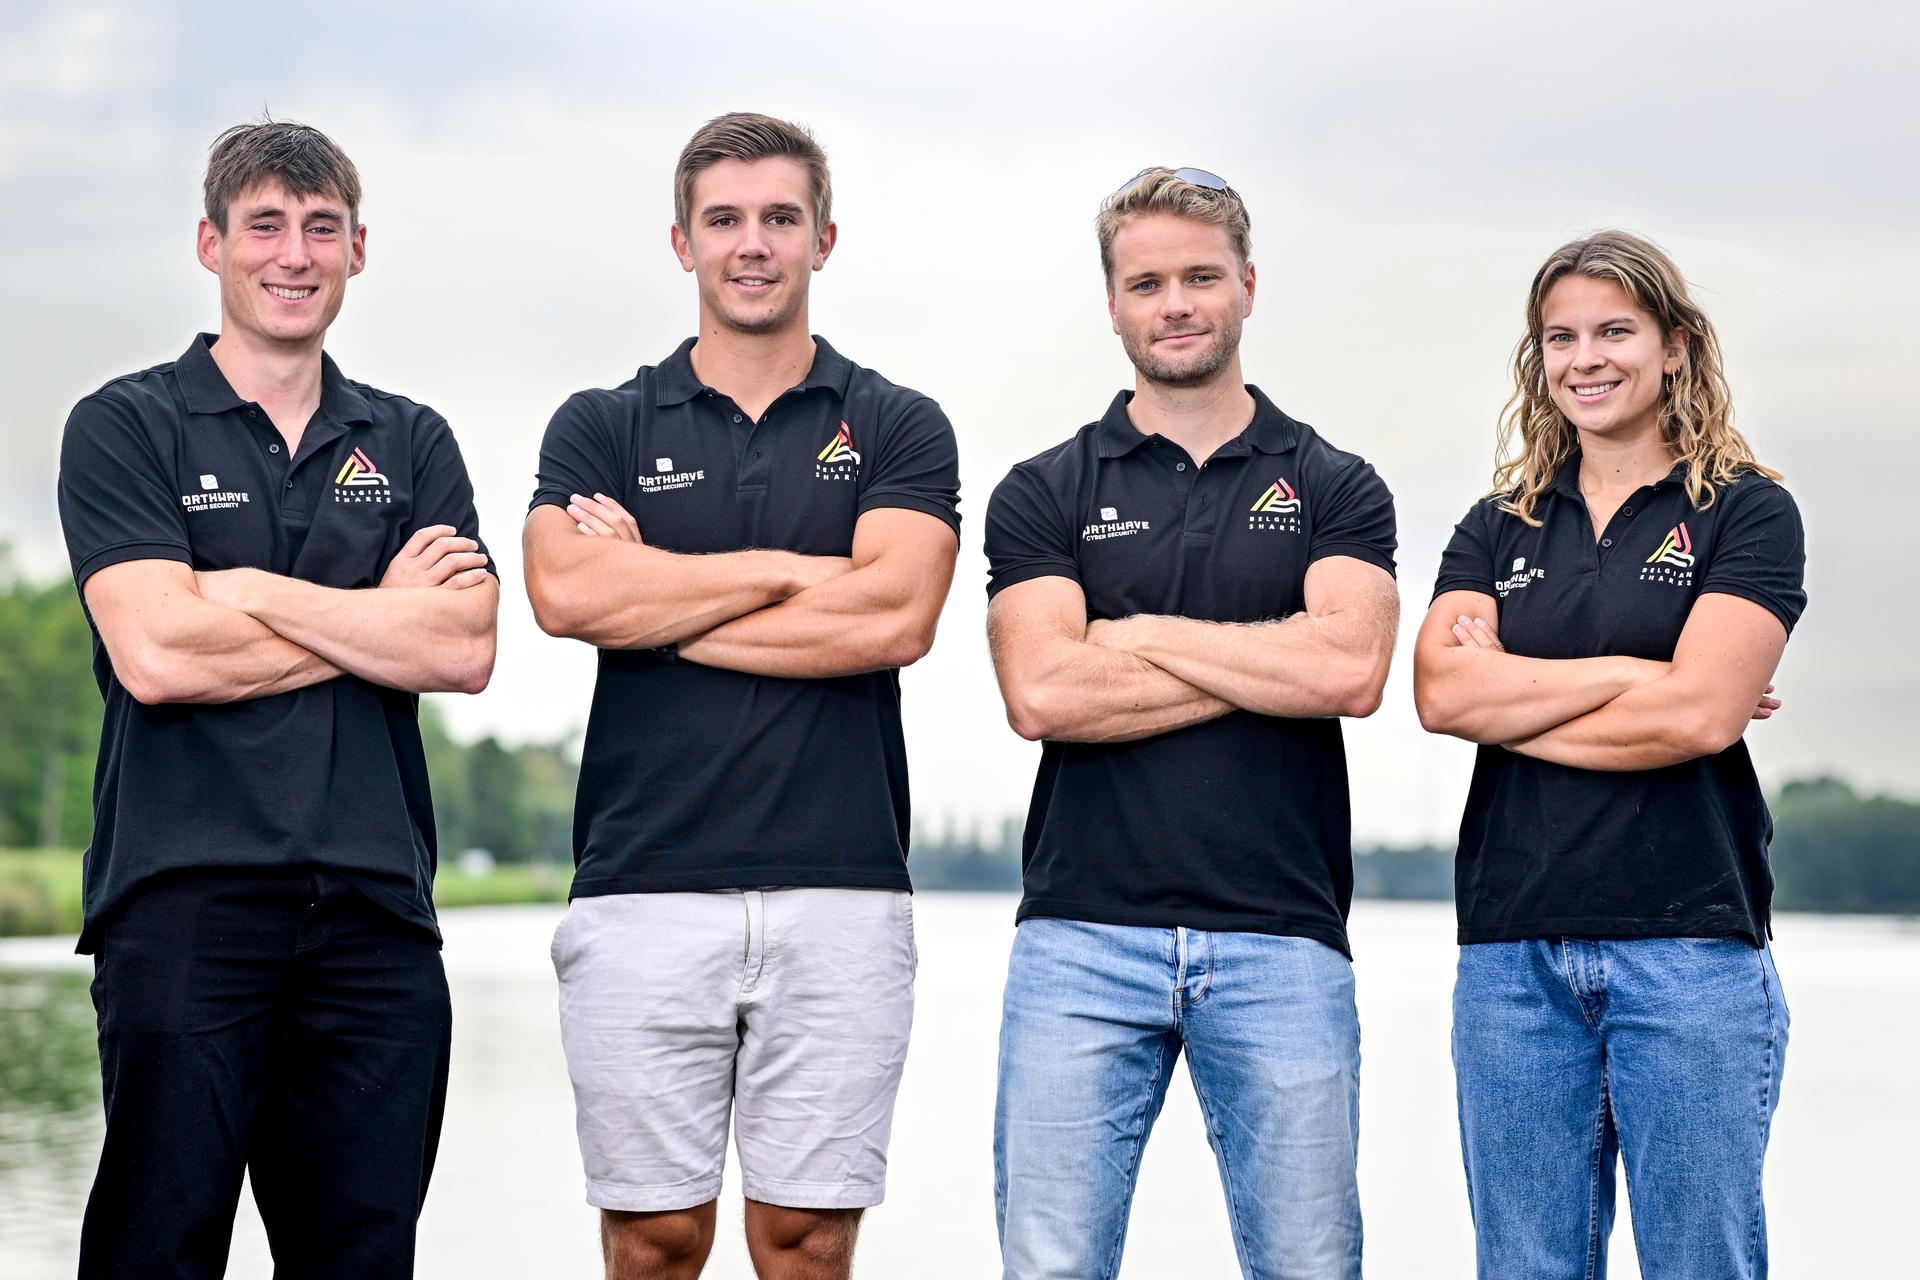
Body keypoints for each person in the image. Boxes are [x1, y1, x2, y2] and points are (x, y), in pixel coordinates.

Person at [54, 118, 498, 1279]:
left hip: (376, 917)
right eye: (265, 225)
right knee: (155, 1253)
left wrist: (244, 591)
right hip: (182, 903)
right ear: (211, 244)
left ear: (358, 249)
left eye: (320, 227)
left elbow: (461, 645)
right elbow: (158, 652)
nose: (293, 254)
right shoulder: (126, 424)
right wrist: (373, 617)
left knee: (361, 1260)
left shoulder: (412, 440)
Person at [521, 112, 960, 1280]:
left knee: (807, 1241)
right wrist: (797, 571)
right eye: (724, 219)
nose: (751, 243)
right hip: (642, 885)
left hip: (842, 887)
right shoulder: (603, 424)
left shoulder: (897, 422)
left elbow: (893, 618)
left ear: (824, 238)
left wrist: (658, 595)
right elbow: (565, 592)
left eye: (779, 217)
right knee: (653, 1240)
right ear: (683, 242)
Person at [982, 167, 1399, 1280]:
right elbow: (1043, 694)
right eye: (1148, 283)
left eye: (1201, 277)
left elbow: (1352, 669)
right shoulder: (1045, 489)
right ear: (1113, 303)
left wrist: (1135, 636)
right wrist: (1272, 657)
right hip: (1080, 937)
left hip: (1283, 938)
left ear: (1248, 285)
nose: (1176, 303)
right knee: (1051, 1267)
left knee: (1309, 1266)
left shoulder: (1335, 484)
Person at [1413, 230, 1805, 1280]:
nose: (1585, 359)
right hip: (1511, 953)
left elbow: (1698, 721)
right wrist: (1641, 670)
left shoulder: (1747, 511)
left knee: (1700, 1263)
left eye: (1614, 331)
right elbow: (1442, 695)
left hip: (1690, 949)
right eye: (1561, 337)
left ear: (1675, 347)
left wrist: (1516, 695)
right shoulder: (1496, 526)